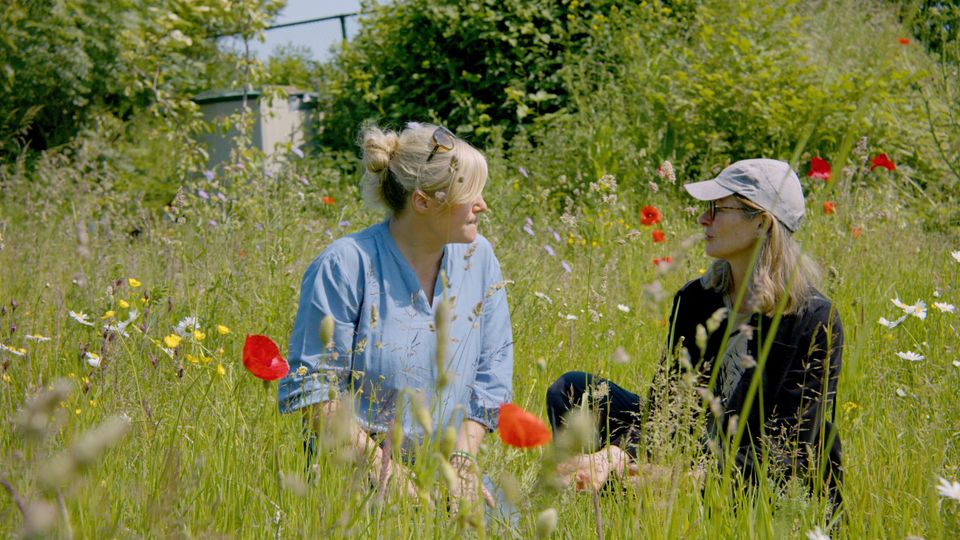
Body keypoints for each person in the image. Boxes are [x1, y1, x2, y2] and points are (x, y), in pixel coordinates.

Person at [546, 159, 843, 509]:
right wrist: (616, 454)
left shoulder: (813, 320)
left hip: (754, 479)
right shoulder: (696, 299)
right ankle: (599, 498)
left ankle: (644, 496)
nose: (703, 218)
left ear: (762, 222)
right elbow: (666, 406)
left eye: (717, 209)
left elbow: (789, 447)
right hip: (694, 444)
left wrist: (691, 480)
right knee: (573, 390)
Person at [278, 122, 514, 516]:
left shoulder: (480, 257)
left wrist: (462, 463)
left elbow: (493, 377)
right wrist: (385, 471)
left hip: (449, 469)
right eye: (469, 193)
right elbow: (314, 391)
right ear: (422, 202)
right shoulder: (344, 265)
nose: (482, 205)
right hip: (356, 472)